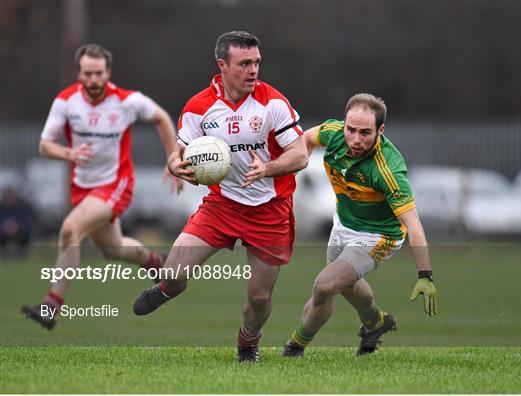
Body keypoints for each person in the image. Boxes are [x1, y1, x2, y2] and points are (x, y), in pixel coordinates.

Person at [132, 31, 308, 362]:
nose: (253, 70)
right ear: (222, 65)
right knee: (173, 273)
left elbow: (300, 155)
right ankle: (166, 289)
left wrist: (268, 168)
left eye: (256, 62)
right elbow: (178, 152)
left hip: (270, 210)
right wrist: (176, 166)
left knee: (258, 297)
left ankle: (247, 345)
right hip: (222, 206)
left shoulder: (273, 103)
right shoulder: (199, 106)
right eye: (244, 63)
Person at [21, 43, 183, 330]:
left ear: (108, 72)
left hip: (115, 184)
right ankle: (158, 263)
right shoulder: (66, 101)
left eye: (99, 73)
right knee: (113, 249)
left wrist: (172, 158)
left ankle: (51, 306)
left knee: (70, 230)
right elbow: (45, 146)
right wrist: (68, 154)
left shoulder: (127, 101)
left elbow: (161, 118)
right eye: (88, 74)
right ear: (79, 74)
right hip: (83, 188)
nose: (94, 80)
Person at [282, 93, 438, 357]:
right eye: (350, 129)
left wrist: (425, 275)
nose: (355, 139)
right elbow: (306, 139)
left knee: (324, 286)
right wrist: (295, 172)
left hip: (378, 236)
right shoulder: (332, 133)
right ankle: (376, 323)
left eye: (365, 132)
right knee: (346, 284)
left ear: (380, 130)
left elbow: (413, 224)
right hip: (342, 224)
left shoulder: (388, 168)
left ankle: (294, 348)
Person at [0, 188, 33, 259]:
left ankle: (21, 255)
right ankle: (4, 255)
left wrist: (16, 226)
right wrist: (5, 226)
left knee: (26, 231)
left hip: (18, 230)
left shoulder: (22, 207)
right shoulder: (1, 207)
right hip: (3, 231)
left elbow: (25, 220)